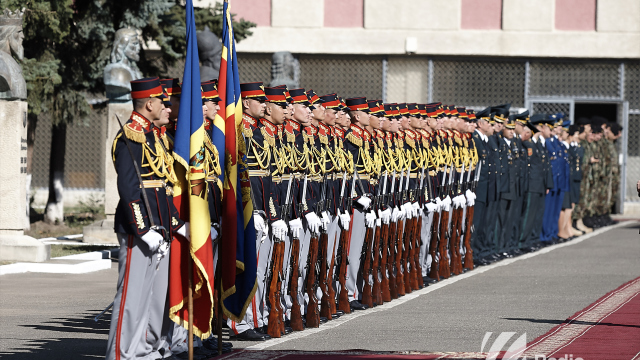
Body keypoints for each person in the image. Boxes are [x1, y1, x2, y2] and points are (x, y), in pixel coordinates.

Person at [106, 77, 189, 360]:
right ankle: (123, 354)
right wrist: (143, 230)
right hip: (138, 228)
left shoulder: (156, 137)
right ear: (150, 103)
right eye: (164, 103)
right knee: (132, 296)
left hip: (160, 227)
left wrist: (176, 225)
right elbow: (129, 189)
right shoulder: (129, 136)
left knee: (154, 296)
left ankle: (145, 349)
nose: (169, 108)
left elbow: (165, 188)